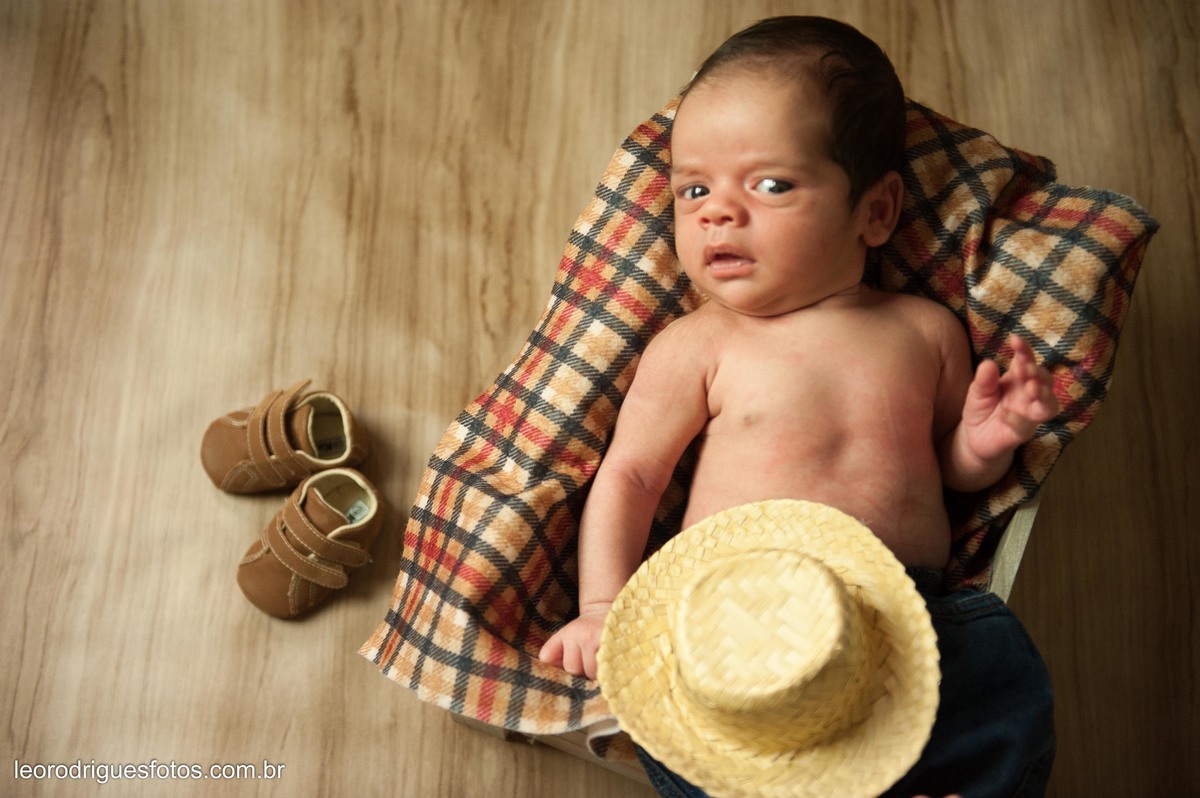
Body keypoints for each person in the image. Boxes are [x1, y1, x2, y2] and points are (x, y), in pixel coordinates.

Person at [539, 15, 1056, 797]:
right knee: (688, 733)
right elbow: (633, 476)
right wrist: (604, 605)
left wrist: (987, 442)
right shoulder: (698, 344)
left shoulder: (924, 331)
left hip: (902, 614)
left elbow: (949, 472)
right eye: (693, 190)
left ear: (875, 213)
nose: (717, 212)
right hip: (728, 623)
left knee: (1003, 666)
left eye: (771, 184)